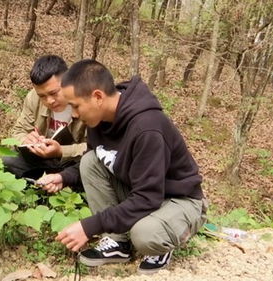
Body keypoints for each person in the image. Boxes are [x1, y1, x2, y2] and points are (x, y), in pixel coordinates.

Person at [37, 59, 207, 274]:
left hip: (179, 199)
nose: (74, 114)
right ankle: (118, 243)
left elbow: (148, 197)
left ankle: (162, 241)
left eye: (75, 105)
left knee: (144, 235)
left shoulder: (147, 128)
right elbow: (97, 158)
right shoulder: (98, 120)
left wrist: (89, 227)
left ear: (98, 97)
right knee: (90, 161)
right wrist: (64, 177)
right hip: (144, 192)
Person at [3, 55, 86, 189]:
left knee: (89, 170)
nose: (49, 101)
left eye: (54, 93)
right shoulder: (33, 98)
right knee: (7, 161)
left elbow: (95, 148)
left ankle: (56, 184)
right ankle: (40, 186)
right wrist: (26, 140)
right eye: (42, 96)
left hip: (74, 163)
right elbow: (18, 130)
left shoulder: (85, 101)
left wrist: (61, 151)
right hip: (43, 160)